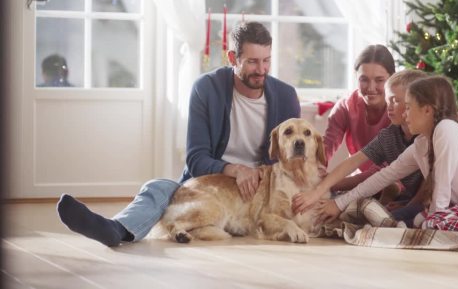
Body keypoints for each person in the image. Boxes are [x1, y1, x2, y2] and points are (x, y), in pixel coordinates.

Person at [56, 22, 300, 246]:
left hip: (258, 195)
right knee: (159, 188)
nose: (261, 70)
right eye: (252, 62)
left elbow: (291, 163)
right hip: (212, 184)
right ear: (233, 57)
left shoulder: (285, 96)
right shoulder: (207, 88)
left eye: (266, 61)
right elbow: (196, 159)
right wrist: (236, 170)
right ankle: (115, 229)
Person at [317, 76, 458, 245]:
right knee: (432, 218)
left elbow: (442, 187)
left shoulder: (446, 129)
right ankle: (415, 226)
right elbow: (384, 176)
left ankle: (415, 228)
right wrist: (339, 203)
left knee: (436, 219)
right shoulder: (420, 145)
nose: (405, 114)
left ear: (427, 110)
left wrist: (433, 224)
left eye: (408, 107)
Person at [292, 69, 428, 222]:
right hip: (406, 196)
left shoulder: (427, 137)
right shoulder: (389, 135)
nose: (389, 106)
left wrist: (408, 205)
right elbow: (353, 162)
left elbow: (430, 185)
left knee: (390, 220)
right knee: (355, 214)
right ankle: (390, 198)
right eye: (388, 99)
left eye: (396, 101)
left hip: (426, 200)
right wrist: (318, 191)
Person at [323, 44, 394, 191]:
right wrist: (315, 174)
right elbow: (325, 148)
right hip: (355, 184)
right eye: (364, 79)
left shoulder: (399, 111)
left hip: (392, 184)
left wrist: (332, 184)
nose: (371, 87)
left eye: (379, 80)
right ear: (356, 77)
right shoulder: (346, 106)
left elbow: (388, 170)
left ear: (392, 78)